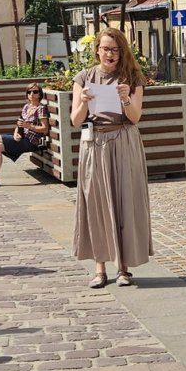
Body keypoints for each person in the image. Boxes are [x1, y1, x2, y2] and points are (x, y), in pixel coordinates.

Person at [71, 27, 151, 289]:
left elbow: (136, 117)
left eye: (115, 49)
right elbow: (75, 120)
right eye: (106, 49)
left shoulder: (132, 76)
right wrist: (83, 102)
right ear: (97, 50)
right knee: (96, 203)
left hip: (123, 140)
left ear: (122, 51)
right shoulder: (84, 77)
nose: (111, 54)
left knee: (123, 202)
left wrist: (126, 98)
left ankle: (124, 269)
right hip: (94, 144)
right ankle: (99, 268)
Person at [0, 82, 49, 186]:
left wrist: (30, 126)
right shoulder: (26, 107)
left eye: (35, 91)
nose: (31, 94)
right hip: (23, 137)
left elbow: (45, 129)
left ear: (39, 94)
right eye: (29, 92)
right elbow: (19, 123)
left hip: (31, 141)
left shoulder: (41, 109)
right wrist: (16, 133)